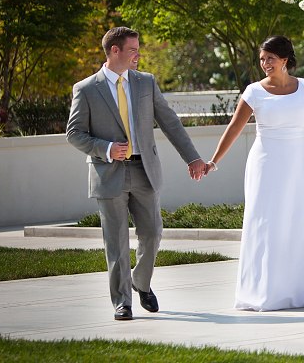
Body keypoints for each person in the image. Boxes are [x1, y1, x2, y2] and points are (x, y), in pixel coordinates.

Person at [66, 27, 210, 321]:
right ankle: (123, 301)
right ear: (115, 51)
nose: (138, 54)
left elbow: (169, 122)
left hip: (145, 169)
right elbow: (74, 133)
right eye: (133, 49)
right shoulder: (86, 89)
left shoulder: (146, 82)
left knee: (153, 232)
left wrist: (193, 157)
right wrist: (105, 148)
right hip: (108, 173)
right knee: (116, 241)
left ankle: (140, 282)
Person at [207, 35, 304, 310]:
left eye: (270, 59)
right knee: (266, 223)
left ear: (285, 60)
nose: (265, 63)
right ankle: (263, 291)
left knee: (297, 223)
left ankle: (299, 291)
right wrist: (213, 161)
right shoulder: (254, 92)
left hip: (297, 165)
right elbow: (234, 128)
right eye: (262, 59)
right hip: (265, 165)